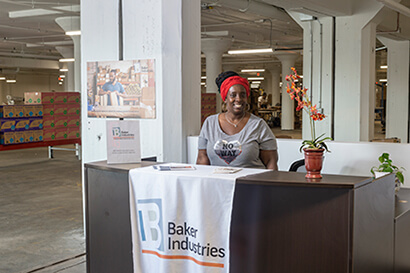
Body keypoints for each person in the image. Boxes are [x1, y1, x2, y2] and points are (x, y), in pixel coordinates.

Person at [196, 71, 278, 170]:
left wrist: (268, 184)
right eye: (233, 95)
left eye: (242, 95)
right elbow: (202, 158)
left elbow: (271, 161)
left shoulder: (258, 125)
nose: (238, 99)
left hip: (251, 183)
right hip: (218, 183)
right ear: (225, 98)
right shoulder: (210, 123)